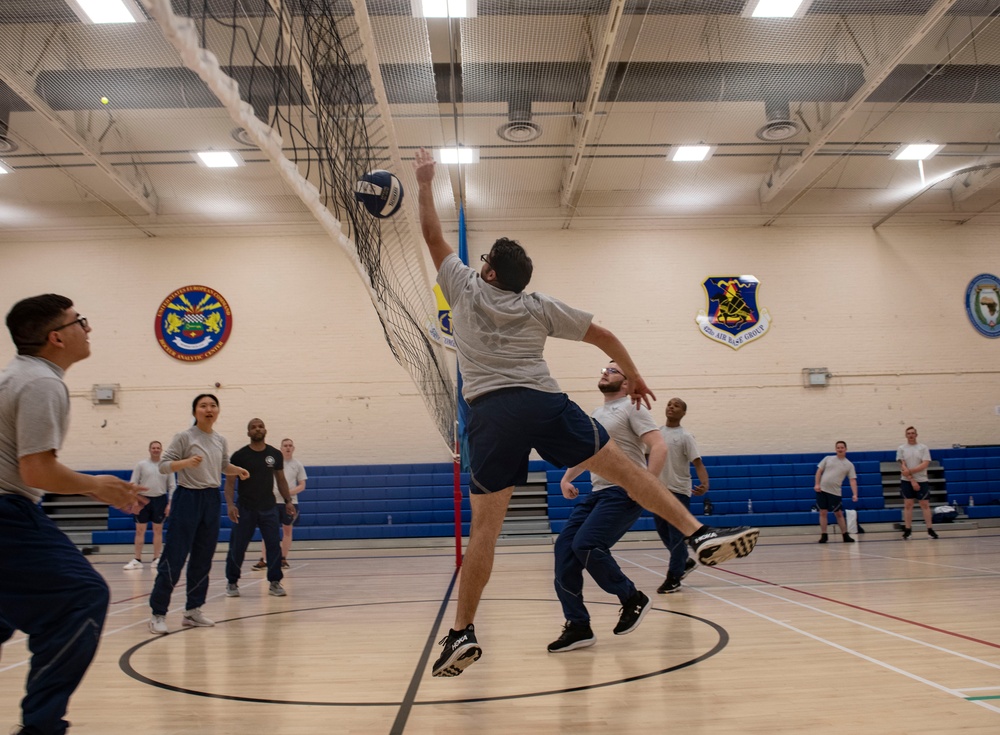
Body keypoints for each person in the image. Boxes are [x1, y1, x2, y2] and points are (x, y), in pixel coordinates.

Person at [414, 147, 759, 678]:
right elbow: (604, 336)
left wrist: (423, 181)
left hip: (488, 413)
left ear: (486, 270)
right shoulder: (537, 305)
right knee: (624, 473)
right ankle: (698, 534)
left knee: (486, 532)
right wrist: (635, 373)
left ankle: (462, 634)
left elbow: (433, 236)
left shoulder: (461, 287)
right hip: (543, 402)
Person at [0, 294, 145, 735]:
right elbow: (36, 469)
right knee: (81, 598)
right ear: (56, 337)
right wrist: (96, 485)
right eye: (79, 321)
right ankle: (41, 727)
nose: (88, 328)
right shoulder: (42, 383)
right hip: (7, 512)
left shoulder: (13, 376)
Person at [548, 362, 667, 653]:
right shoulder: (596, 415)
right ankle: (578, 626)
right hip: (597, 493)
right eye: (604, 369)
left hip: (623, 493)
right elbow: (591, 454)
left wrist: (645, 486)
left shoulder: (633, 407)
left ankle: (632, 598)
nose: (605, 372)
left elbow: (660, 446)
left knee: (587, 544)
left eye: (613, 370)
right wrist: (566, 478)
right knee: (565, 549)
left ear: (627, 384)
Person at [148, 394, 249, 635]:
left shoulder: (220, 439)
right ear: (195, 411)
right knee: (174, 556)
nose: (209, 409)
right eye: (203, 406)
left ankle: (193, 610)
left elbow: (223, 465)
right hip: (187, 498)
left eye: (213, 405)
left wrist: (238, 470)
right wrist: (185, 463)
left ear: (218, 411)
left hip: (211, 499)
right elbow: (163, 465)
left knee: (203, 557)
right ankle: (158, 613)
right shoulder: (184, 437)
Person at [224, 419, 295, 598]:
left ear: (265, 430)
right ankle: (232, 582)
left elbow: (281, 480)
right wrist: (231, 505)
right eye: (253, 427)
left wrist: (288, 501)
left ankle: (274, 582)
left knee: (273, 546)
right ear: (248, 433)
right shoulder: (239, 456)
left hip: (269, 507)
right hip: (245, 508)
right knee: (237, 546)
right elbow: (230, 483)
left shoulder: (274, 454)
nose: (257, 429)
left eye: (260, 426)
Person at [653, 397, 708, 594]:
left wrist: (704, 484)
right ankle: (684, 561)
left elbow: (698, 463)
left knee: (676, 536)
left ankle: (674, 577)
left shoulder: (686, 436)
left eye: (676, 405)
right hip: (657, 491)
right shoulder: (657, 434)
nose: (671, 407)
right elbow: (645, 457)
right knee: (663, 531)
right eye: (669, 404)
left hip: (679, 491)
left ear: (683, 413)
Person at [253, 437, 307, 571]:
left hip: (290, 503)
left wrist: (287, 493)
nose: (288, 448)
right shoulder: (273, 464)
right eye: (285, 445)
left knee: (287, 531)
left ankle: (283, 559)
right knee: (268, 531)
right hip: (272, 502)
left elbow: (302, 485)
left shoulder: (297, 465)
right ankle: (264, 559)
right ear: (281, 448)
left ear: (293, 448)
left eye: (290, 445)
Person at [124, 440, 176, 570]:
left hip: (160, 500)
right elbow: (133, 483)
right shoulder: (141, 465)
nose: (156, 450)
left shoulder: (166, 466)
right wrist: (135, 501)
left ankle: (156, 558)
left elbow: (172, 486)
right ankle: (137, 559)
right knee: (140, 530)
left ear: (161, 450)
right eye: (153, 448)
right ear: (149, 449)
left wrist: (170, 503)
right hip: (143, 500)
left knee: (158, 530)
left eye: (158, 448)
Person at [897, 426, 938, 540]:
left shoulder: (923, 448)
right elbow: (903, 466)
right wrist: (911, 479)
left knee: (924, 505)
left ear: (916, 435)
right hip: (906, 481)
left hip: (922, 480)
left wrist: (910, 472)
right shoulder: (901, 448)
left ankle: (930, 529)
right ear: (906, 435)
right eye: (908, 433)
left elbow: (924, 464)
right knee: (908, 505)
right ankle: (908, 530)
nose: (911, 435)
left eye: (912, 433)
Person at [813, 441, 858, 544]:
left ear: (845, 449)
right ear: (835, 449)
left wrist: (855, 494)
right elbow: (819, 471)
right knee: (822, 512)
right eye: (838, 447)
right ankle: (824, 535)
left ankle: (845, 535)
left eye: (842, 447)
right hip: (822, 490)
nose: (840, 449)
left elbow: (852, 480)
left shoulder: (849, 465)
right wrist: (817, 484)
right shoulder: (828, 458)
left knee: (838, 513)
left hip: (835, 492)